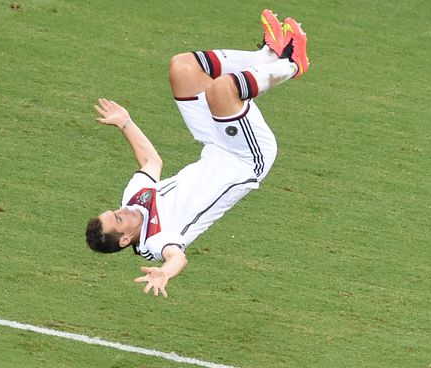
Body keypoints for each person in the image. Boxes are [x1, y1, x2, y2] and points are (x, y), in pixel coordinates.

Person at [85, 10, 309, 298]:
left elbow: (151, 161)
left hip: (214, 146)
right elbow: (177, 257)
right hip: (247, 159)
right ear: (126, 239)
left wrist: (125, 122)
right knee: (222, 90)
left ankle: (267, 58)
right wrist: (164, 273)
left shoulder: (133, 200)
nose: (120, 210)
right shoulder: (156, 241)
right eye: (117, 218)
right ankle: (291, 64)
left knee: (182, 67)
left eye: (112, 211)